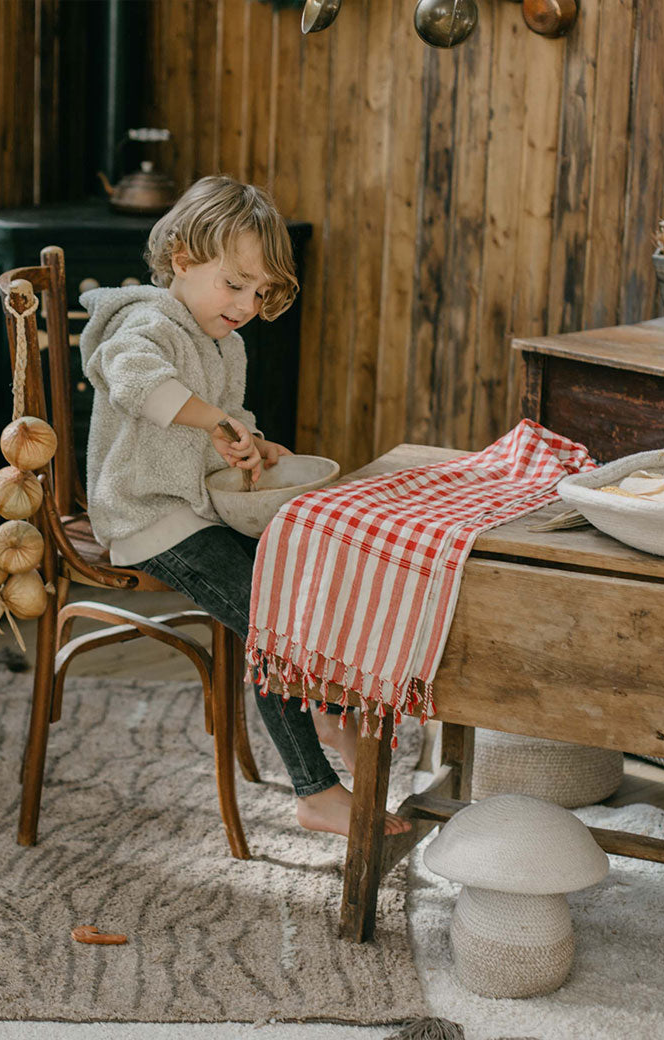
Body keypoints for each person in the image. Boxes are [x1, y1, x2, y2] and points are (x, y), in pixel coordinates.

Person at [78, 175, 409, 838]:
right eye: (234, 284)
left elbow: (222, 419)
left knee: (297, 580)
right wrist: (214, 423)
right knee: (269, 622)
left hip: (196, 511)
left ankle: (325, 711)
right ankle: (315, 789)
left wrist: (250, 443)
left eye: (259, 293)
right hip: (147, 517)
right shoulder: (147, 324)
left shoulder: (224, 343)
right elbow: (137, 381)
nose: (246, 305)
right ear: (181, 259)